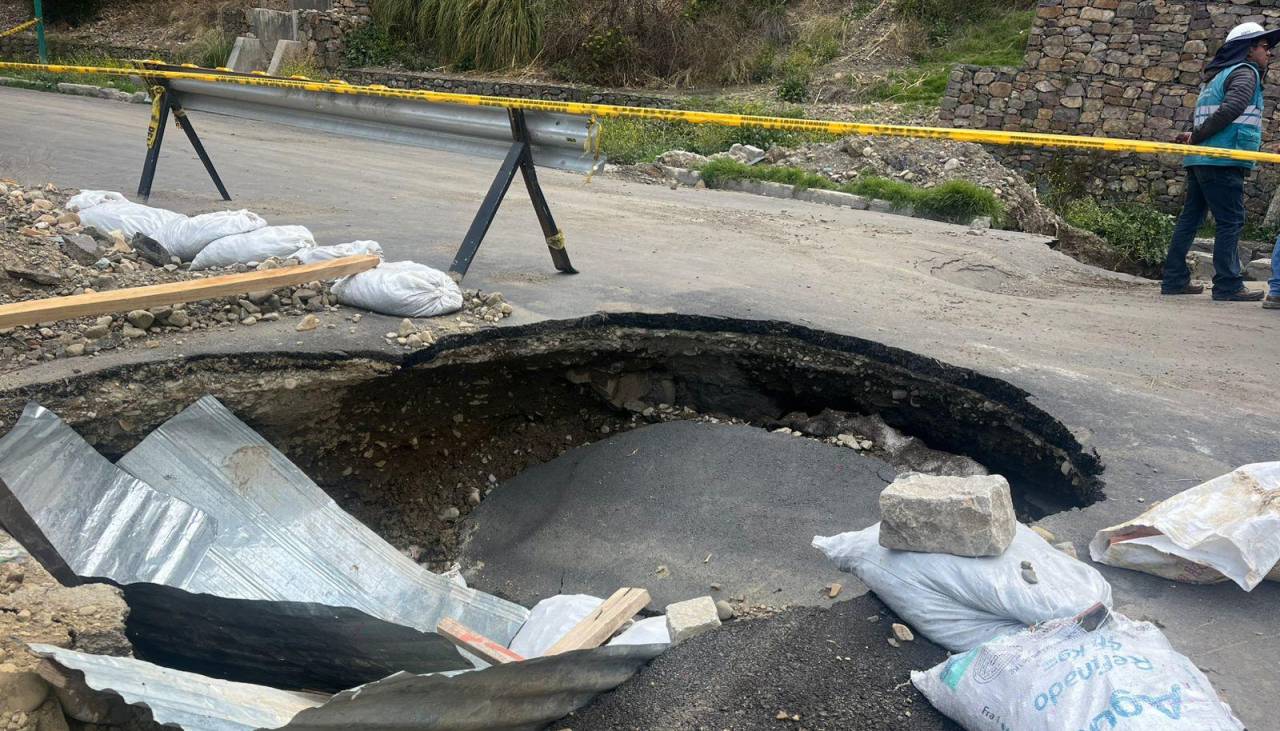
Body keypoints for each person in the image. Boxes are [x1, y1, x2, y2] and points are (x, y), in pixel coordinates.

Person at [1163, 22, 1280, 301]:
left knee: (1190, 219)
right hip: (1223, 158)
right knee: (1231, 220)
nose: (1270, 53)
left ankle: (1174, 279)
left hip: (1201, 158)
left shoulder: (1215, 77)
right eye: (1265, 47)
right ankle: (1228, 285)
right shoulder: (1245, 72)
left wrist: (1195, 136)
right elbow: (1231, 110)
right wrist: (1199, 135)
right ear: (1248, 50)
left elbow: (1210, 113)